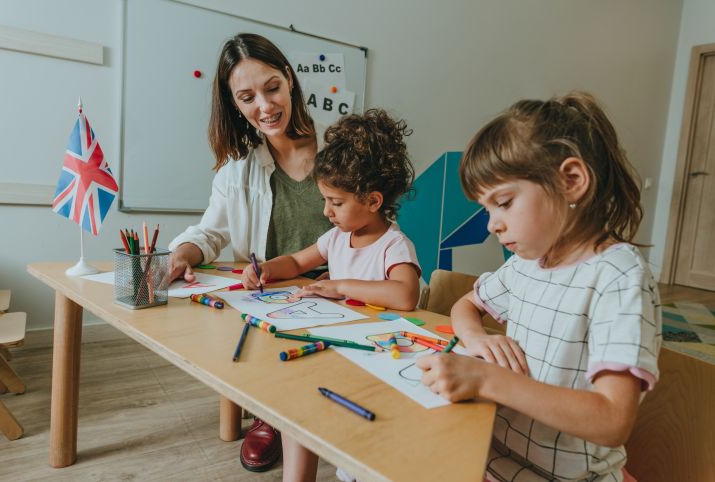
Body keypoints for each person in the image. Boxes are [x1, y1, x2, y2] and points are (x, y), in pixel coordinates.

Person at [416, 92, 661, 482]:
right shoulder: (527, 264)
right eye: (487, 209)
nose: (491, 224)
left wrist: (486, 378)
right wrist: (477, 338)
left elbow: (613, 420)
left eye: (505, 202)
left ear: (571, 181)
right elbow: (465, 306)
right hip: (490, 454)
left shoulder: (619, 277)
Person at [167, 33, 332, 474]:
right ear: (235, 104)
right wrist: (184, 252)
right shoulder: (237, 167)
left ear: (291, 81)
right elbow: (210, 232)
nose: (265, 105)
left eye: (272, 87)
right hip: (271, 297)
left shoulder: (339, 148)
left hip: (339, 294)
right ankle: (270, 414)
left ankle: (299, 414)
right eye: (247, 97)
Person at [241, 108, 421, 481]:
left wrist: (339, 287)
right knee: (295, 399)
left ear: (372, 201)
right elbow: (296, 260)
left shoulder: (393, 245)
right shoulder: (337, 237)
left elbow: (405, 295)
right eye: (325, 200)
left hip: (377, 357)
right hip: (337, 346)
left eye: (335, 203)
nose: (326, 212)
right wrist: (269, 269)